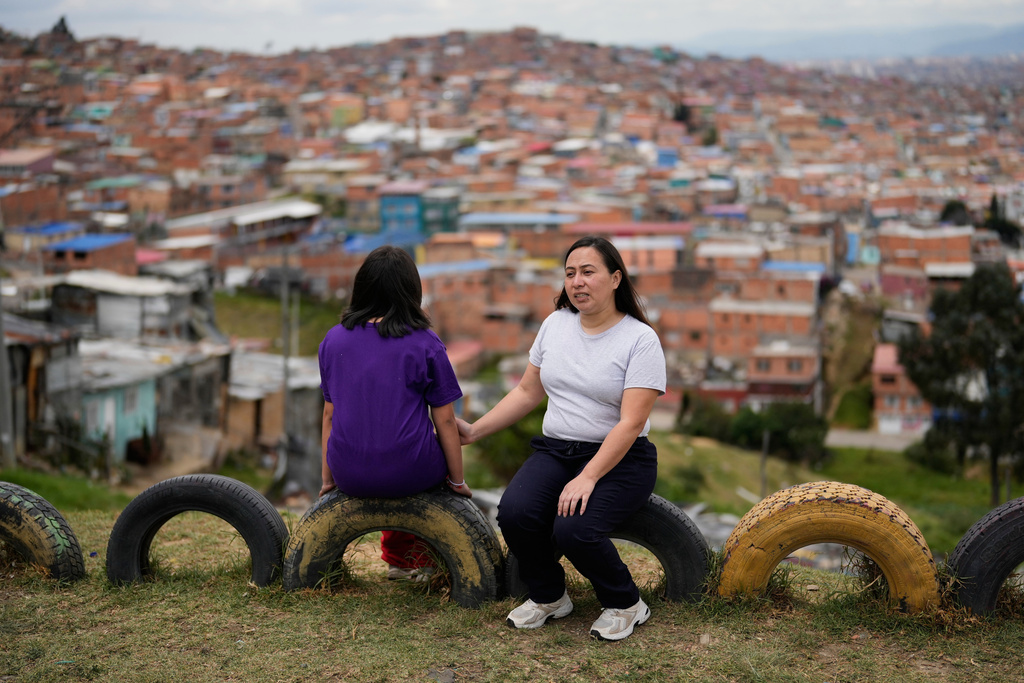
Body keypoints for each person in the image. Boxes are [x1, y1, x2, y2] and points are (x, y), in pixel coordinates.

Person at [457, 235, 666, 641]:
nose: (577, 282)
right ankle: (550, 596)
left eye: (588, 272)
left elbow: (630, 422)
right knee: (515, 513)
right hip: (556, 449)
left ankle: (625, 603)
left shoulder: (640, 340)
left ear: (616, 278)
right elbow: (526, 392)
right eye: (570, 273)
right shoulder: (555, 325)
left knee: (573, 529)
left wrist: (588, 476)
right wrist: (475, 430)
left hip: (621, 458)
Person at [318, 245, 471, 582]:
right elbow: (444, 419)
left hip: (348, 473)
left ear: (361, 289)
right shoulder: (425, 342)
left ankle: (397, 561)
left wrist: (329, 479)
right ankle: (423, 558)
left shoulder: (332, 340)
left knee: (387, 442)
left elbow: (329, 416)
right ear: (411, 292)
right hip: (411, 472)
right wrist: (457, 482)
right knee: (415, 449)